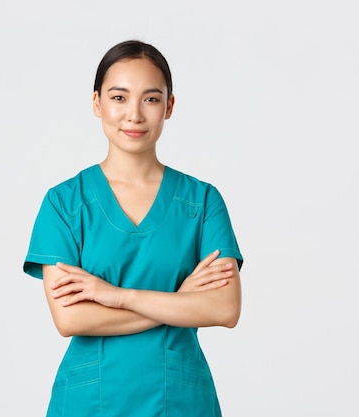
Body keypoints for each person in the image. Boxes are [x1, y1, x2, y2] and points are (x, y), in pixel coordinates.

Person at [23, 39, 243, 417]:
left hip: (180, 402)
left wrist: (115, 296)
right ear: (97, 103)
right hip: (90, 402)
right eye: (119, 97)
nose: (134, 115)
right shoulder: (64, 204)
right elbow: (70, 318)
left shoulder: (202, 203)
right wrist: (179, 300)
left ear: (169, 106)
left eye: (151, 99)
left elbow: (224, 309)